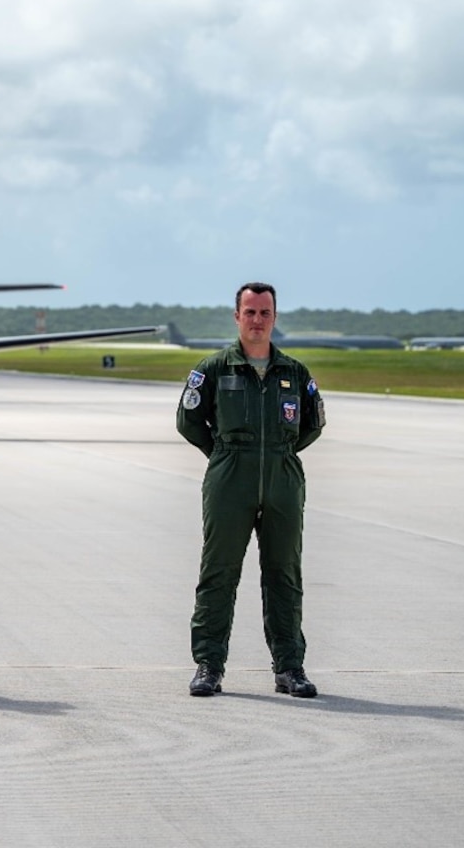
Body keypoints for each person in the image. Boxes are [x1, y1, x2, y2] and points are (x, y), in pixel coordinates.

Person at [178, 281, 325, 699]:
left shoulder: (294, 373)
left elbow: (312, 424)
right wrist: (224, 455)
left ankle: (290, 668)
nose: (257, 320)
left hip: (282, 479)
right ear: (237, 317)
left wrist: (277, 454)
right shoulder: (214, 370)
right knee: (218, 572)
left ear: (274, 318)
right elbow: (188, 421)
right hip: (230, 479)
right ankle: (209, 666)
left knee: (284, 574)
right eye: (250, 312)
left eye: (264, 313)